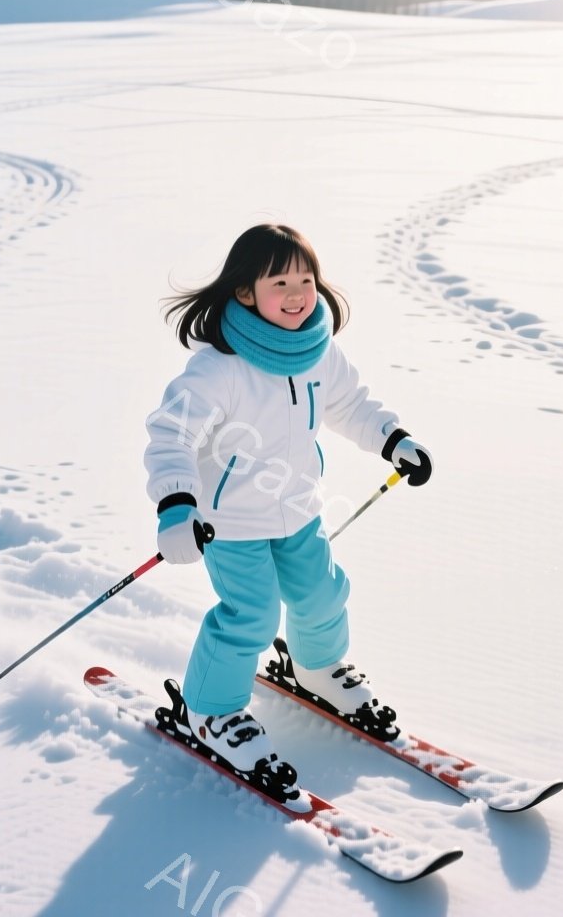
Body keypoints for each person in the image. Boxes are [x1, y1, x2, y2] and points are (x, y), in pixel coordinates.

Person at [142, 223, 433, 779]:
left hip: (298, 509)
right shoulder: (221, 367)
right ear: (245, 292)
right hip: (230, 523)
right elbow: (171, 433)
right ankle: (210, 710)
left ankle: (318, 668)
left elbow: (352, 405)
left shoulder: (319, 351)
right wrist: (176, 503)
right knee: (251, 616)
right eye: (280, 282)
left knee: (322, 594)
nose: (298, 294)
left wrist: (393, 439)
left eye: (306, 279)